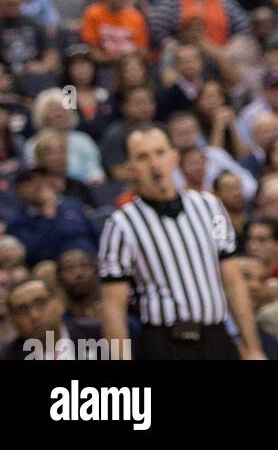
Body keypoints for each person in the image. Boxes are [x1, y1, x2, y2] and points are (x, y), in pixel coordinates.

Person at [98, 123, 265, 360]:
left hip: (216, 336)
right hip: (165, 343)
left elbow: (233, 281)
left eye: (160, 153)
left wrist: (253, 348)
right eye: (143, 157)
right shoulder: (121, 224)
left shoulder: (211, 207)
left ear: (174, 158)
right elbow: (113, 307)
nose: (154, 164)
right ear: (130, 169)